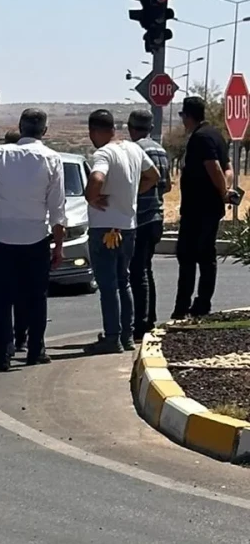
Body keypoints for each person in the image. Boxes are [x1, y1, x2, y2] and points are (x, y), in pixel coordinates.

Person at [0, 108, 66, 371]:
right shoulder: (52, 158)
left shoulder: (0, 154)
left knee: (2, 297)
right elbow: (57, 209)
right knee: (36, 297)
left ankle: (3, 353)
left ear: (20, 127)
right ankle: (35, 350)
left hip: (1, 237)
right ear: (44, 131)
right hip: (36, 238)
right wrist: (58, 247)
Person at [83, 110, 159, 354]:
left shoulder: (103, 153)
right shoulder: (133, 149)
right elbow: (154, 176)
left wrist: (90, 197)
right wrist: (133, 192)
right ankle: (126, 335)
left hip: (105, 227)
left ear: (95, 131)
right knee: (123, 281)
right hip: (128, 226)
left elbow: (97, 178)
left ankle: (112, 337)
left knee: (108, 285)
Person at [173, 96, 233, 319]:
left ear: (188, 116)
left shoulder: (201, 137)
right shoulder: (216, 135)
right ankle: (201, 304)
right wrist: (224, 190)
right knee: (206, 256)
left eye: (182, 116)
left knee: (188, 257)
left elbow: (214, 166)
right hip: (209, 208)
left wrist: (223, 192)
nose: (182, 121)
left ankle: (185, 306)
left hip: (198, 209)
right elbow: (228, 169)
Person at [127, 109, 170, 340]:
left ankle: (140, 324)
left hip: (141, 218)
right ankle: (149, 318)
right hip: (157, 216)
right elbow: (168, 185)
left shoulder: (135, 150)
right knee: (146, 269)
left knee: (137, 272)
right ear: (151, 128)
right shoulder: (160, 150)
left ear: (130, 127)